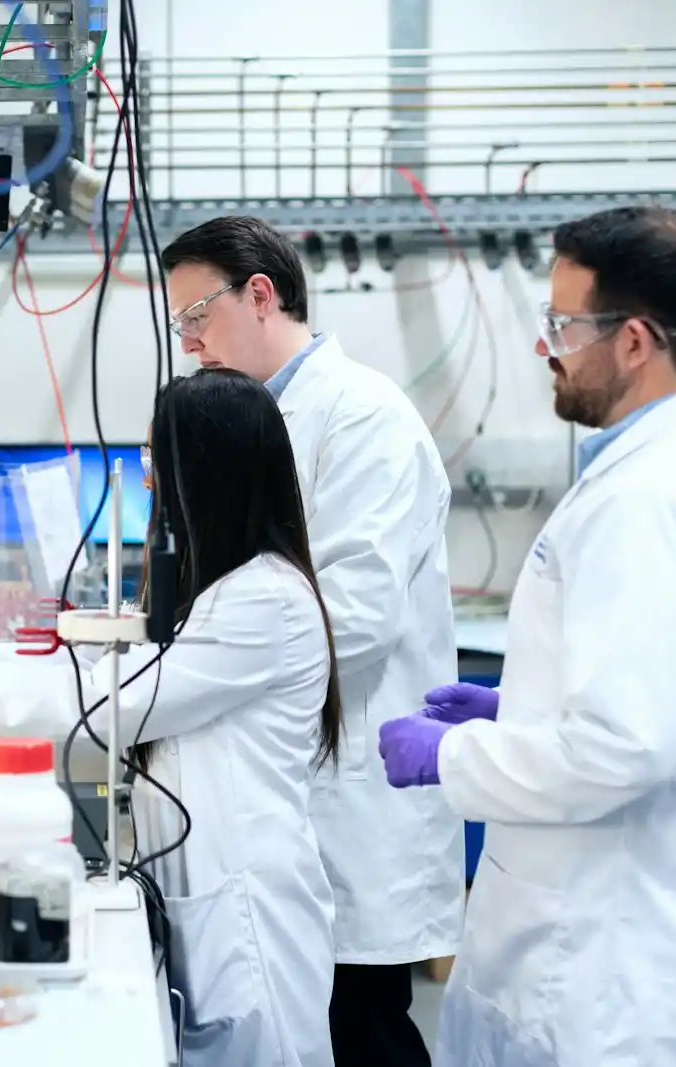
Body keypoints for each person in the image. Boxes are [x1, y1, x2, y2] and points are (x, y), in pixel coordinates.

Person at [0, 370, 341, 1067]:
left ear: (209, 476)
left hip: (248, 915)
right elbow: (104, 680)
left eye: (160, 467)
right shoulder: (228, 590)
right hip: (215, 894)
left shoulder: (262, 603)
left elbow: (104, 703)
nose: (150, 486)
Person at [377, 206, 676, 1067]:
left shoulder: (648, 501)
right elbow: (673, 689)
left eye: (563, 324)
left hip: (615, 960)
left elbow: (621, 748)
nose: (547, 348)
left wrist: (452, 757)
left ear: (636, 340)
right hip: (640, 923)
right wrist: (523, 702)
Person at [160, 214, 461, 1067]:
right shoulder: (262, 417)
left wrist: (197, 674)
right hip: (291, 793)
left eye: (196, 317)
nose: (189, 345)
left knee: (363, 1032)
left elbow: (356, 616)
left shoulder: (364, 417)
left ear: (260, 294)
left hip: (351, 797)